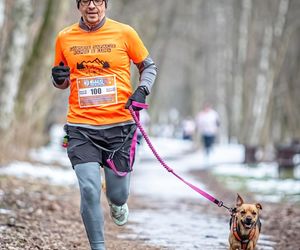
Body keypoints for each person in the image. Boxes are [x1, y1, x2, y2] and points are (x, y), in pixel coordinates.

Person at [51, 0, 157, 249]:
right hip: (81, 127)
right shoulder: (64, 37)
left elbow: (148, 66)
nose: (91, 6)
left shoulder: (125, 32)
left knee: (117, 194)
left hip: (119, 127)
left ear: (105, 5)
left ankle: (118, 202)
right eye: (85, 1)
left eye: (97, 0)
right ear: (78, 5)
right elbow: (62, 78)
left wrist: (142, 90)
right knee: (89, 189)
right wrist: (57, 79)